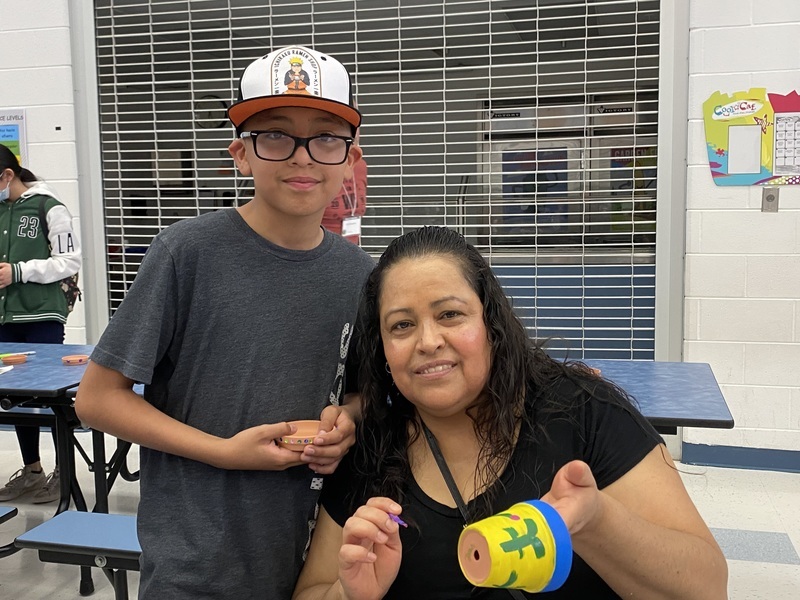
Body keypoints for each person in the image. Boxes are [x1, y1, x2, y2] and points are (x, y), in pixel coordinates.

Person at [75, 45, 375, 600]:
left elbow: (360, 391)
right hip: (196, 564)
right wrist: (224, 451)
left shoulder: (362, 276)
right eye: (276, 136)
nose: (303, 157)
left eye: (326, 138)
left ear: (349, 158)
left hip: (312, 561)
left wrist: (348, 422)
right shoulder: (186, 253)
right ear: (241, 154)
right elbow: (97, 399)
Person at [293, 226, 728, 600]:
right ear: (383, 349)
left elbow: (707, 587)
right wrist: (348, 593)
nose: (428, 341)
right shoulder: (369, 449)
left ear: (491, 324)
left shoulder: (584, 412)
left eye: (450, 314)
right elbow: (312, 590)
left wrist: (596, 521)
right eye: (402, 325)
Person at [0, 145, 81, 504]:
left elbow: (69, 260)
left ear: (7, 176)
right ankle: (32, 471)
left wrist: (20, 271)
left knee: (53, 398)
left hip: (42, 316)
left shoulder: (48, 206)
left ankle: (65, 472)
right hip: (5, 317)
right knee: (12, 397)